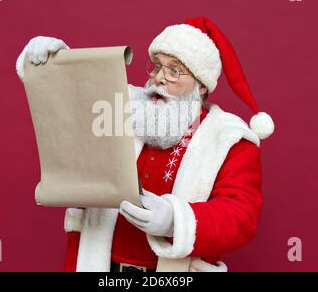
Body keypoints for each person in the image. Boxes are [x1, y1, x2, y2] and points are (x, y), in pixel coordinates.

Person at [15, 17, 275, 272]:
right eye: (157, 66)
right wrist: (55, 66)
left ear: (202, 86)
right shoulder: (120, 105)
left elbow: (241, 215)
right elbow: (72, 104)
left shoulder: (228, 138)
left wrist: (175, 221)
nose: (160, 78)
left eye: (174, 71)